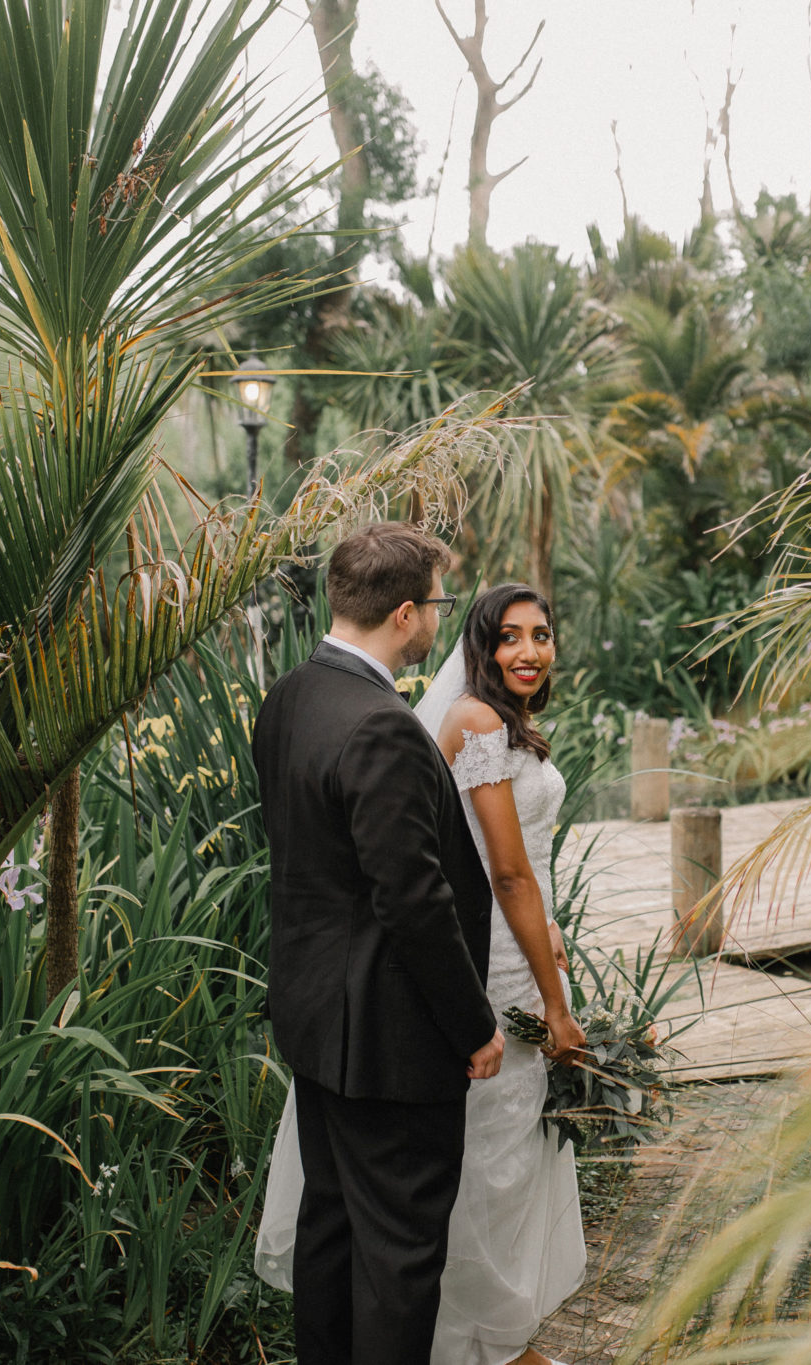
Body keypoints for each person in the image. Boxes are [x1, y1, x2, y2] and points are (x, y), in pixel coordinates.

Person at [256, 580, 589, 1365]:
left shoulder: (308, 698)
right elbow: (504, 877)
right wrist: (552, 1001)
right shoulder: (469, 721)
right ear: (464, 635)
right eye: (509, 636)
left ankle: (491, 1334)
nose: (529, 650)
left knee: (486, 1160)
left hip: (501, 948)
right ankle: (482, 1337)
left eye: (541, 634)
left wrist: (550, 934)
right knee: (478, 1165)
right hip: (486, 967)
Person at [250, 523, 506, 1365]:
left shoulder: (291, 695)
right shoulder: (382, 726)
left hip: (315, 1018)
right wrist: (473, 1025)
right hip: (390, 1038)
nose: (440, 619)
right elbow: (414, 900)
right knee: (399, 1253)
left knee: (332, 1227)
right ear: (406, 613)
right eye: (437, 603)